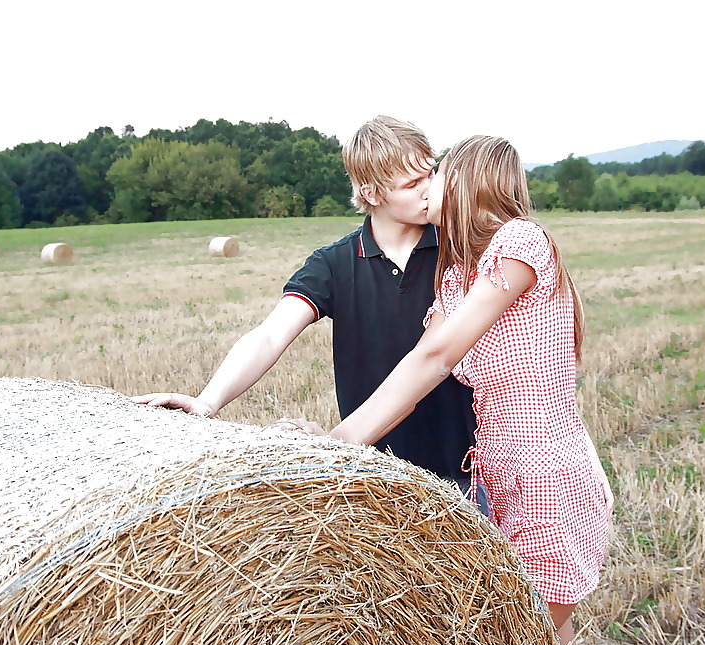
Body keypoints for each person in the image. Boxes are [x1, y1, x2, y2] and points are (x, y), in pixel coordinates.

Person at [326, 135, 614, 645]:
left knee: (526, 638)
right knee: (541, 634)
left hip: (545, 471)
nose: (425, 185)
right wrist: (337, 449)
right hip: (493, 473)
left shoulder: (522, 243)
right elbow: (420, 374)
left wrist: (341, 439)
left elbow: (436, 356)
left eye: (436, 174)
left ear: (468, 183)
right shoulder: (457, 275)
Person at [132, 115, 479, 495]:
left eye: (430, 174)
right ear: (373, 193)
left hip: (470, 468)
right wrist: (207, 401)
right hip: (376, 478)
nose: (429, 189)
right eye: (412, 183)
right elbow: (270, 335)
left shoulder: (461, 251)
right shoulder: (334, 265)